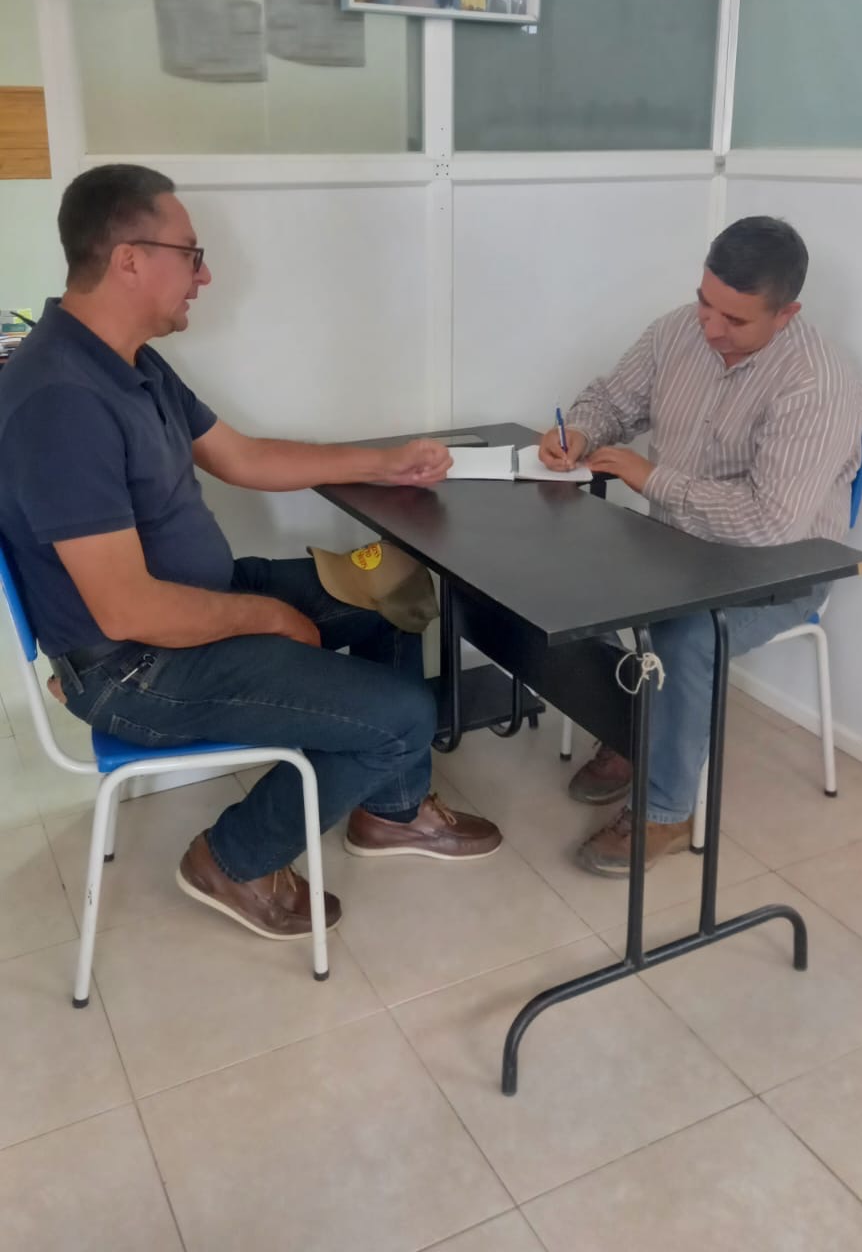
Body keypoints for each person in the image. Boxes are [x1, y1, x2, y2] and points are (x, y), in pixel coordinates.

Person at [0, 165, 501, 942]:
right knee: (406, 716)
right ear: (129, 259)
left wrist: (384, 463)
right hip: (137, 666)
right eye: (191, 255)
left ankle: (391, 810)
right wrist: (267, 617)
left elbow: (242, 456)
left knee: (393, 597)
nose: (204, 276)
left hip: (193, 602)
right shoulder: (60, 401)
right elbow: (126, 608)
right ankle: (233, 859)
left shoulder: (125, 360)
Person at [538, 217, 862, 877]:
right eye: (704, 302)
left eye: (735, 319)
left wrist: (652, 478)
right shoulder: (677, 331)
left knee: (686, 634)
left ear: (787, 313)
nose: (710, 327)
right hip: (675, 543)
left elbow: (772, 523)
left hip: (777, 568)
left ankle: (665, 811)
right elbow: (613, 401)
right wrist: (580, 432)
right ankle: (637, 727)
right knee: (564, 578)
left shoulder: (820, 384)